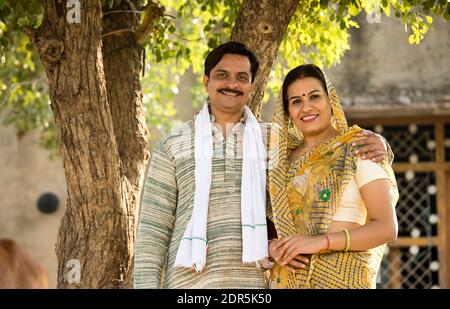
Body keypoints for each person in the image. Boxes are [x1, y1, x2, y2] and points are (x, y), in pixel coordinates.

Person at [133, 42, 389, 289]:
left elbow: (326, 148)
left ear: (252, 86)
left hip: (255, 283)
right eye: (222, 75)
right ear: (206, 81)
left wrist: (381, 145)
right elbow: (153, 230)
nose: (232, 84)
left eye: (241, 77)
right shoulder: (173, 145)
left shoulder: (274, 142)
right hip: (188, 284)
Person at [267, 64, 399, 288]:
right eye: (296, 101)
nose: (306, 107)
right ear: (288, 111)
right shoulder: (279, 165)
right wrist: (273, 248)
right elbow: (270, 229)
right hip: (287, 282)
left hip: (345, 280)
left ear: (331, 101)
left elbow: (386, 227)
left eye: (314, 96)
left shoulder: (359, 147)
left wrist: (319, 243)